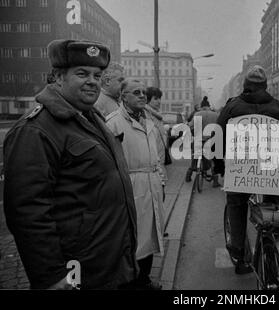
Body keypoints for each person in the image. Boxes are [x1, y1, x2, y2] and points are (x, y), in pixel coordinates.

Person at [2, 39, 138, 289]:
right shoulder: (36, 129)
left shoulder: (90, 118)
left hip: (108, 263)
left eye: (97, 75)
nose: (92, 81)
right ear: (58, 78)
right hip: (76, 272)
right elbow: (27, 211)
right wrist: (52, 275)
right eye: (82, 73)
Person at [216, 65, 279, 274]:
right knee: (273, 209)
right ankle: (273, 252)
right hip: (270, 169)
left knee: (236, 205)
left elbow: (217, 138)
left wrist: (220, 167)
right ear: (265, 86)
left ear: (245, 85)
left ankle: (240, 255)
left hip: (241, 169)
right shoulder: (276, 107)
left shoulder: (232, 106)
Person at [106, 79, 165, 290]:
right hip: (130, 186)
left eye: (143, 93)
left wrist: (161, 181)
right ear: (123, 97)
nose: (142, 96)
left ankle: (144, 279)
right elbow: (108, 163)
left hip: (152, 183)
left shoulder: (148, 121)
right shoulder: (113, 123)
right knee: (133, 238)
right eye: (136, 92)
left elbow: (157, 156)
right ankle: (131, 282)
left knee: (150, 235)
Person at [185, 96, 221, 188]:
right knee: (213, 160)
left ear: (201, 106)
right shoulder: (215, 115)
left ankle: (188, 176)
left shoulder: (197, 114)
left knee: (195, 158)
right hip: (211, 141)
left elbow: (191, 125)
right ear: (209, 106)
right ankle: (215, 182)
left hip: (199, 140)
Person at [146, 87, 169, 186]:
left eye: (160, 98)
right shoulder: (147, 114)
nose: (159, 101)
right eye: (155, 99)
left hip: (160, 158)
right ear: (148, 99)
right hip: (154, 162)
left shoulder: (156, 114)